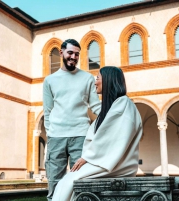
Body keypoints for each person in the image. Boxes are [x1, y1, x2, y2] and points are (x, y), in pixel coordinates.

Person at [52, 66, 143, 201]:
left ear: (108, 81)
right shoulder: (113, 106)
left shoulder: (123, 103)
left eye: (98, 78)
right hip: (106, 161)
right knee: (68, 180)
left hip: (117, 164)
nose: (95, 82)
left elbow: (112, 138)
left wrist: (87, 157)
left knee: (68, 181)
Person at [43, 39, 101, 201]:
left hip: (80, 136)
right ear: (61, 53)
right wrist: (50, 132)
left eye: (76, 54)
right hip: (56, 137)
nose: (73, 57)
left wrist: (113, 112)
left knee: (80, 180)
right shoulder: (50, 80)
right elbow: (47, 111)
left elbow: (96, 106)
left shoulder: (87, 78)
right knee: (54, 180)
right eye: (70, 53)